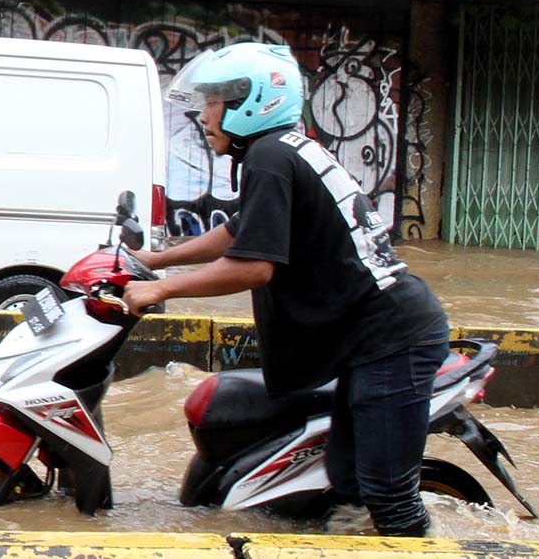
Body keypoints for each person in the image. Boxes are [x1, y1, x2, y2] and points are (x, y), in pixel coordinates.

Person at [123, 42, 450, 537]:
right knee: (347, 482)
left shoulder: (269, 157)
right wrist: (155, 259)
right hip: (372, 341)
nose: (204, 116)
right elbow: (238, 231)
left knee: (387, 493)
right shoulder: (283, 150)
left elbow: (253, 267)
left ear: (251, 103)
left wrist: (161, 290)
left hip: (392, 341)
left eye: (214, 103)